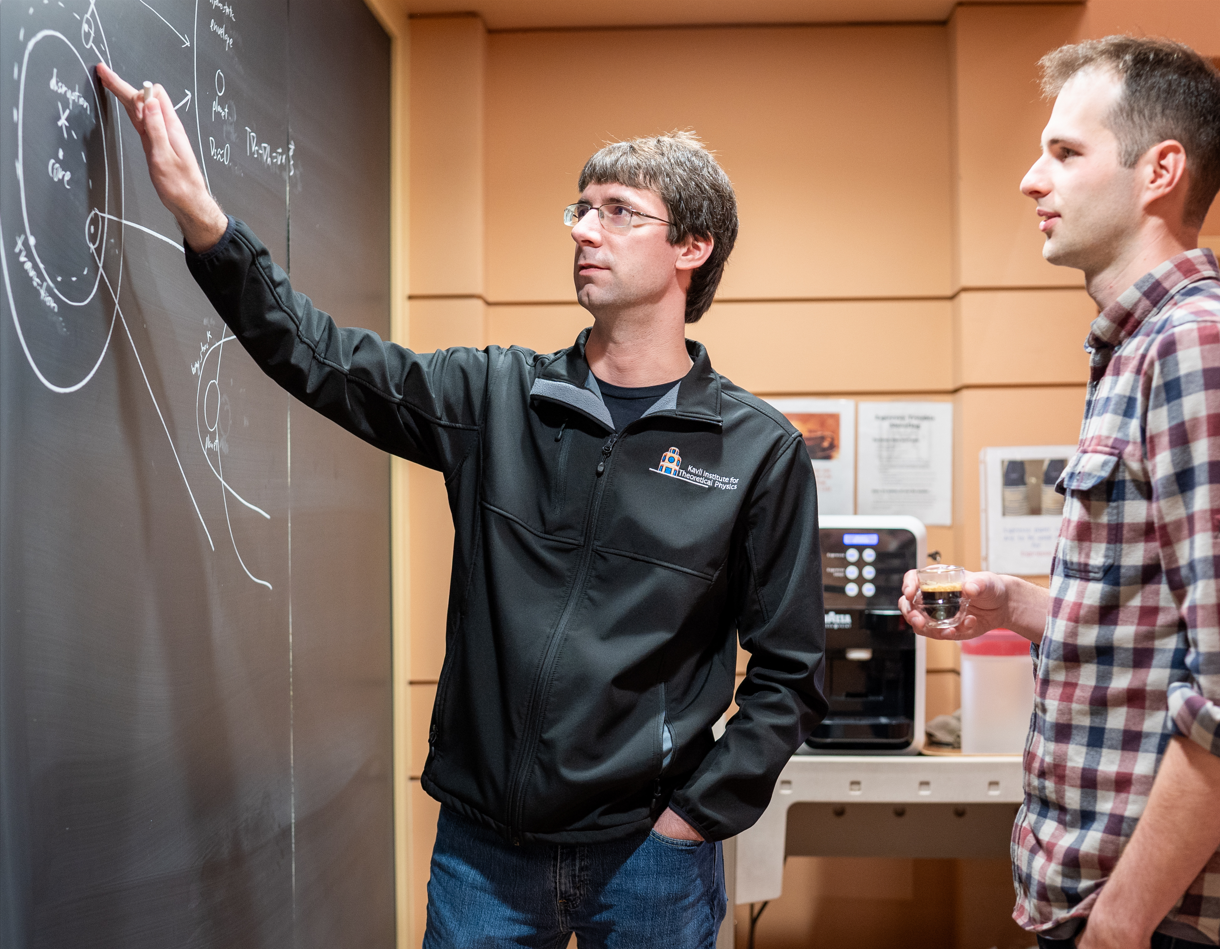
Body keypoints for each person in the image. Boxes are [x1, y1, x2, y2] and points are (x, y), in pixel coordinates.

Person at [96, 65, 827, 948]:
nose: (584, 230)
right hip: (486, 853)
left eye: (617, 211)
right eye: (580, 208)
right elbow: (319, 357)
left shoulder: (755, 450)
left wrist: (694, 819)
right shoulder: (494, 395)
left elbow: (789, 674)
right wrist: (202, 221)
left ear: (692, 248)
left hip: (649, 855)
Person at [902, 37, 1220, 949]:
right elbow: (1161, 620)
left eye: (1065, 153)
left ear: (1160, 171)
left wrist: (1120, 922)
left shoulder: (1199, 346)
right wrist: (1016, 603)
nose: (1031, 178)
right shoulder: (1134, 353)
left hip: (1160, 917)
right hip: (1099, 899)